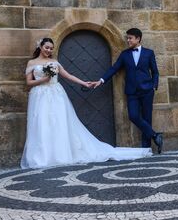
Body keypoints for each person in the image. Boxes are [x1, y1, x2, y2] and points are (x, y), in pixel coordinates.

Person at [21, 38, 152, 169]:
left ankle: (60, 154)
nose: (49, 50)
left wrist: (84, 83)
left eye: (51, 48)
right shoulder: (32, 63)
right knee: (41, 124)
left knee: (59, 123)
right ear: (40, 46)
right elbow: (29, 82)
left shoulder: (54, 62)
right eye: (47, 47)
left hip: (56, 95)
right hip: (39, 96)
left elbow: (68, 76)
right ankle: (42, 156)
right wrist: (44, 79)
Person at [89, 28, 164, 153]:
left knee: (147, 118)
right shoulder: (125, 54)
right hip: (132, 92)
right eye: (127, 38)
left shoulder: (149, 53)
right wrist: (101, 80)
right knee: (133, 116)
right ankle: (156, 135)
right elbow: (114, 69)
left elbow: (155, 71)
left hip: (147, 90)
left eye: (130, 38)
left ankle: (146, 149)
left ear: (138, 38)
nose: (128, 40)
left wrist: (154, 85)